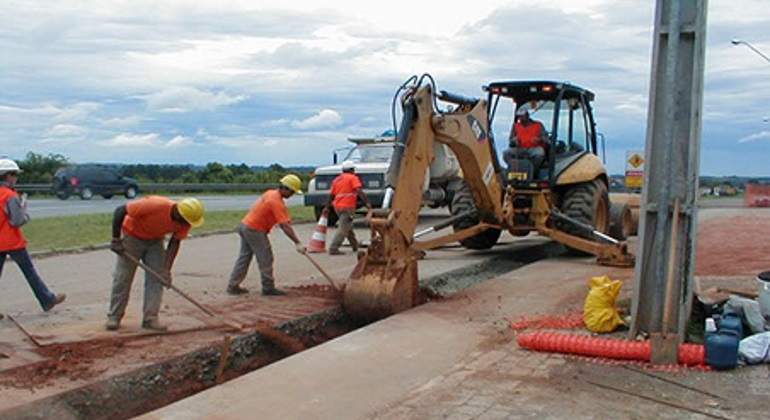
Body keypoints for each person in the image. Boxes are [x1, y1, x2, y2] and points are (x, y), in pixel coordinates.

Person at [106, 195, 204, 331]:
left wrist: (166, 269)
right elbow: (120, 211)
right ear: (179, 213)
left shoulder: (185, 222)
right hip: (132, 236)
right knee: (123, 278)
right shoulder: (155, 205)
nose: (186, 225)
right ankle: (114, 316)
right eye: (185, 221)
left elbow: (174, 243)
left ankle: (150, 319)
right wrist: (116, 239)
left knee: (157, 278)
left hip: (155, 241)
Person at [0, 159, 66, 313]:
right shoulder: (9, 195)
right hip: (11, 241)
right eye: (14, 174)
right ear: (7, 176)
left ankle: (47, 299)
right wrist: (24, 211)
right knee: (30, 272)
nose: (16, 178)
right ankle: (47, 299)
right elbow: (17, 221)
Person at [226, 174, 307, 296]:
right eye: (292, 192)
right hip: (254, 229)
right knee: (266, 257)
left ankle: (233, 286)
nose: (292, 195)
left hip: (245, 225)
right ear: (286, 189)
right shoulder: (276, 202)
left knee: (244, 257)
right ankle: (268, 287)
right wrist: (297, 242)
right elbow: (285, 225)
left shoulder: (270, 193)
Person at [324, 161, 371, 255]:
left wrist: (327, 207)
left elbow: (331, 195)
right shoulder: (353, 178)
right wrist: (367, 203)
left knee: (348, 226)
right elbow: (359, 191)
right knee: (343, 228)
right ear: (352, 170)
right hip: (348, 206)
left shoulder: (337, 179)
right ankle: (334, 247)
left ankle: (355, 246)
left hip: (337, 207)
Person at [503, 107, 548, 174]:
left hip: (533, 148)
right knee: (506, 153)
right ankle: (515, 170)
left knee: (540, 152)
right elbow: (511, 140)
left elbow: (546, 138)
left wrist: (539, 139)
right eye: (519, 117)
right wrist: (514, 140)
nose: (520, 119)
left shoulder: (538, 125)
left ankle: (532, 171)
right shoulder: (515, 126)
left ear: (527, 116)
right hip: (520, 149)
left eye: (522, 117)